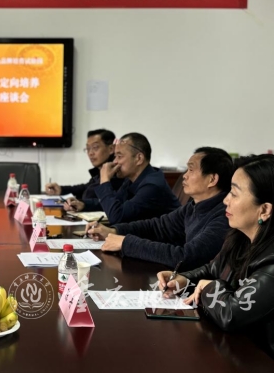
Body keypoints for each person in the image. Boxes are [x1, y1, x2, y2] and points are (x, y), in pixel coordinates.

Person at [158, 155, 274, 359]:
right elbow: (212, 269)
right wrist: (183, 279)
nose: (225, 200)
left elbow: (232, 314)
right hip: (234, 350)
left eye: (234, 194)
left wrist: (210, 287)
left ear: (264, 210)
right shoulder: (240, 237)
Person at [85, 147, 233, 270]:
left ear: (212, 179)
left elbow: (185, 257)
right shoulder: (193, 207)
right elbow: (157, 227)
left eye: (191, 170)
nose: (184, 176)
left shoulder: (224, 216)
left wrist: (126, 243)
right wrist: (114, 231)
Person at [68, 132, 180, 224]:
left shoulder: (152, 186)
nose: (115, 161)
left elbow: (117, 217)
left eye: (119, 156)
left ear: (139, 158)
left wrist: (105, 181)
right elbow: (115, 202)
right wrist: (84, 204)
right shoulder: (131, 179)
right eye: (115, 156)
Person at [45, 129, 122, 209]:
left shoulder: (117, 173)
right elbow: (85, 187)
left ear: (111, 149)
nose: (90, 153)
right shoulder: (99, 171)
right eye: (88, 148)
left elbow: (107, 201)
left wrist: (83, 204)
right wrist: (61, 189)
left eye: (95, 147)